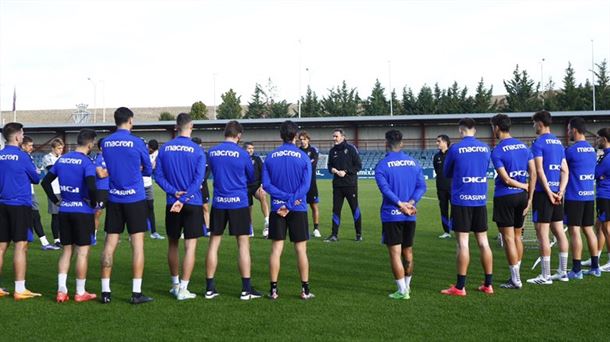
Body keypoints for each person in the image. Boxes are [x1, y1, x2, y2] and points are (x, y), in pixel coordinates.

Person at [100, 107, 153, 304]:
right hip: (135, 199)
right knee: (137, 245)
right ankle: (136, 293)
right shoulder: (137, 142)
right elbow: (148, 169)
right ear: (130, 120)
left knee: (109, 244)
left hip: (114, 198)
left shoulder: (106, 142)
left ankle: (105, 292)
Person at [41, 129, 99, 303]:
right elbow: (91, 185)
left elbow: (45, 182)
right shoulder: (87, 162)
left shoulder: (62, 159)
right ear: (90, 144)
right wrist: (94, 202)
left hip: (64, 210)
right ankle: (80, 292)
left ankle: (61, 290)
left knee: (66, 251)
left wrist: (56, 200)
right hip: (82, 211)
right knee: (82, 252)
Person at [205, 120, 261, 300]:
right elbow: (251, 176)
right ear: (239, 136)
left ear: (224, 133)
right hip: (239, 202)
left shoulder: (212, 152)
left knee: (214, 244)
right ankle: (246, 289)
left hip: (219, 202)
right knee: (243, 245)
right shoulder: (243, 154)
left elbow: (211, 171)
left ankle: (209, 288)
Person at [154, 113, 206, 301]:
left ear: (176, 127)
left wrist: (174, 193)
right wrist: (185, 197)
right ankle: (183, 288)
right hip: (192, 202)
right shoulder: (198, 150)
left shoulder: (165, 149)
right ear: (190, 126)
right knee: (190, 246)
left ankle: (175, 284)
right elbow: (199, 179)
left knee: (173, 244)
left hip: (172, 203)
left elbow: (158, 176)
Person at [441, 118, 493, 296]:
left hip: (462, 200)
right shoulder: (485, 148)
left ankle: (460, 287)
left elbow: (446, 172)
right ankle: (488, 284)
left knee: (463, 243)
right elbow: (486, 168)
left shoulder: (455, 148)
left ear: (461, 130)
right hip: (480, 199)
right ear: (475, 130)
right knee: (483, 242)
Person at [263, 120, 314, 300]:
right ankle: (305, 290)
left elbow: (267, 185)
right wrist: (290, 202)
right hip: (297, 207)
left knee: (276, 249)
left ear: (281, 135)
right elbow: (305, 186)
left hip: (277, 207)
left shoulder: (270, 157)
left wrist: (283, 201)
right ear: (295, 135)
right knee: (301, 250)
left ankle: (273, 290)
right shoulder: (303, 157)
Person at [374, 129, 426, 300]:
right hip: (410, 214)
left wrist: (399, 204)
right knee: (408, 251)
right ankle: (407, 287)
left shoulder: (382, 165)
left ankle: (402, 291)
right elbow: (421, 186)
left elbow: (385, 189)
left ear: (386, 144)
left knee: (395, 253)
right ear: (402, 143)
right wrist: (410, 203)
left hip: (392, 214)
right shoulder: (414, 163)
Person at [489, 114, 535, 289]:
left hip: (505, 196)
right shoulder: (524, 146)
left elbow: (506, 179)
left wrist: (524, 185)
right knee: (517, 237)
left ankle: (515, 279)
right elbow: (534, 172)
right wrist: (529, 194)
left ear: (497, 128)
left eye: (493, 126)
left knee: (508, 238)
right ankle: (516, 273)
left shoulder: (498, 150)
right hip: (522, 197)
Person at [526, 110, 570, 285]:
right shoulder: (559, 144)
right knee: (559, 232)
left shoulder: (538, 143)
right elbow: (565, 170)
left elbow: (538, 171)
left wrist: (549, 192)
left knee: (543, 234)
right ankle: (562, 272)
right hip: (558, 195)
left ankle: (545, 276)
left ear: (539, 123)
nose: (533, 126)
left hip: (544, 195)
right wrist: (560, 191)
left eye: (534, 123)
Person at [0, 122, 41, 300]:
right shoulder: (23, 157)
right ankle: (19, 288)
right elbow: (36, 178)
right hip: (19, 205)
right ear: (17, 137)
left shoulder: (0, 156)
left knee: (1, 247)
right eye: (22, 134)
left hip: (1, 204)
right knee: (20, 245)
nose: (23, 137)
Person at [564, 117, 600, 278]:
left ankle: (577, 270)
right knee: (589, 230)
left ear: (575, 130)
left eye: (569, 129)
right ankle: (595, 267)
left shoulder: (571, 151)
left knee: (574, 232)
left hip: (574, 196)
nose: (568, 132)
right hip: (588, 196)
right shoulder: (592, 150)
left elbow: (562, 171)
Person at [20, 136, 60, 250]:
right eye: (30, 145)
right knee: (35, 216)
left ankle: (36, 240)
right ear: (23, 145)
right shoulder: (25, 157)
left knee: (32, 216)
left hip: (26, 191)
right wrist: (35, 173)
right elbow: (35, 177)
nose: (32, 147)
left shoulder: (26, 157)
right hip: (27, 192)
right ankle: (44, 242)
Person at [325, 128, 362, 242]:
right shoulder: (332, 151)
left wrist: (345, 171)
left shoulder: (351, 149)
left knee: (354, 209)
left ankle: (358, 234)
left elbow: (358, 166)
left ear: (343, 137)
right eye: (333, 136)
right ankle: (334, 235)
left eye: (336, 136)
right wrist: (333, 170)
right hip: (337, 186)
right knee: (336, 210)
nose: (334, 138)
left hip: (350, 185)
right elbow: (329, 166)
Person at [42, 138, 65, 248]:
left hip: (63, 189)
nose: (61, 150)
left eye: (62, 148)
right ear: (53, 148)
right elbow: (52, 169)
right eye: (59, 148)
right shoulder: (47, 158)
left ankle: (63, 237)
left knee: (63, 215)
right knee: (55, 216)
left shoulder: (62, 158)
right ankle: (56, 239)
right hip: (53, 190)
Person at [244, 142, 270, 238]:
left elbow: (263, 171)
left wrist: (262, 185)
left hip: (256, 186)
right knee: (248, 207)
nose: (251, 150)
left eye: (252, 148)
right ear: (244, 149)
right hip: (245, 187)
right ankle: (249, 227)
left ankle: (267, 223)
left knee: (263, 195)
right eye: (249, 148)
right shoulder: (241, 159)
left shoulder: (257, 159)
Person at [298, 131, 321, 238]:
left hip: (311, 183)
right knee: (300, 207)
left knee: (314, 205)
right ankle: (303, 228)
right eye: (300, 139)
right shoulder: (297, 151)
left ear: (308, 139)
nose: (302, 141)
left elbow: (312, 163)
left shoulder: (313, 150)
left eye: (304, 139)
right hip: (300, 183)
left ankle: (316, 228)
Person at [595, 128, 610, 271]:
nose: (596, 141)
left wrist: (600, 175)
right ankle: (596, 256)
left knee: (606, 227)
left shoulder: (607, 157)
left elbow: (596, 173)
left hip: (606, 195)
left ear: (604, 139)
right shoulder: (605, 155)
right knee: (598, 225)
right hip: (603, 195)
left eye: (598, 138)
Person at [434, 134, 452, 239]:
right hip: (441, 188)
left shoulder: (453, 154)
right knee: (443, 210)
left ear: (445, 142)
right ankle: (446, 231)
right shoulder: (437, 156)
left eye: (438, 141)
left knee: (456, 209)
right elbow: (437, 170)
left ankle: (457, 228)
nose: (437, 143)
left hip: (453, 187)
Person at [192, 137, 211, 236]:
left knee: (205, 206)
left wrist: (202, 179)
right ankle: (188, 228)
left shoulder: (206, 155)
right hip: (192, 185)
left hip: (203, 185)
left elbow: (208, 170)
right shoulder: (190, 155)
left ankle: (207, 228)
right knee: (191, 206)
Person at [145, 139, 164, 240]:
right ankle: (134, 233)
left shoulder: (158, 155)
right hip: (139, 185)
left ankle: (153, 232)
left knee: (150, 208)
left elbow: (152, 167)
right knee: (138, 209)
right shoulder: (144, 153)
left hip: (148, 185)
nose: (148, 149)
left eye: (149, 148)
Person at [94, 139, 109, 241]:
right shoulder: (98, 159)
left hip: (112, 189)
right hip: (101, 189)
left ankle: (109, 235)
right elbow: (101, 174)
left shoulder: (112, 158)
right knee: (97, 212)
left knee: (112, 213)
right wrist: (113, 168)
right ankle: (93, 235)